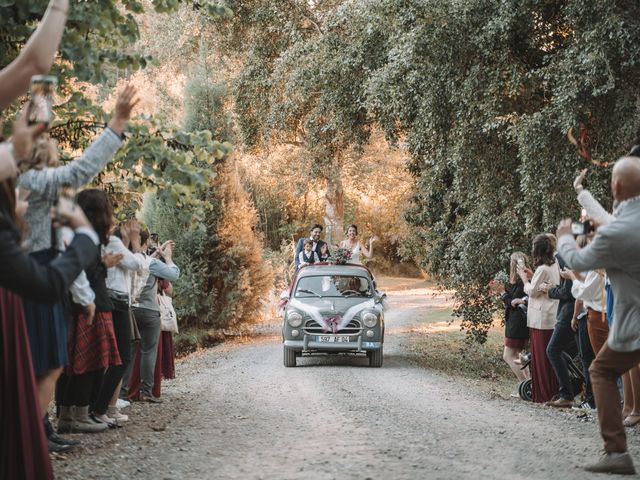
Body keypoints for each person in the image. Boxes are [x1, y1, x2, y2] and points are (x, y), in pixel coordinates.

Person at [17, 84, 137, 445]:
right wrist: (116, 124)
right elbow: (79, 170)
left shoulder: (31, 184)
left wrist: (40, 96)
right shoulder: (31, 181)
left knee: (47, 363)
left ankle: (38, 429)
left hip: (42, 273)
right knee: (47, 363)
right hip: (38, 274)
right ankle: (30, 434)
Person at [0, 179, 99, 480]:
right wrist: (85, 233)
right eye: (20, 195)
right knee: (46, 366)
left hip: (21, 297)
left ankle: (29, 436)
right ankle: (23, 439)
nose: (28, 204)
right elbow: (50, 282)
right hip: (28, 296)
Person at [557, 156, 640, 474]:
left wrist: (565, 236)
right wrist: (582, 193)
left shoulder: (616, 233)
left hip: (633, 324)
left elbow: (578, 261)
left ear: (616, 186)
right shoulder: (620, 223)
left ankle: (616, 452)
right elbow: (604, 221)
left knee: (602, 372)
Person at [58, 189, 122, 433]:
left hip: (77, 305)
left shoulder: (76, 234)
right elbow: (84, 272)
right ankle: (80, 414)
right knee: (90, 363)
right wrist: (104, 265)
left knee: (73, 364)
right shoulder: (89, 237)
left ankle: (67, 415)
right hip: (90, 305)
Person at [91, 219, 145, 424]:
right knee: (121, 357)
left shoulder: (113, 243)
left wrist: (126, 242)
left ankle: (104, 407)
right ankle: (100, 408)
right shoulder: (112, 243)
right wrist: (135, 240)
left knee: (116, 357)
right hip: (116, 302)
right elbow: (138, 265)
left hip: (115, 301)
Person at [122, 231, 180, 403]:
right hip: (149, 311)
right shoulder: (151, 263)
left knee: (129, 353)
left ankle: (123, 394)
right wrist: (167, 257)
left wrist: (156, 253)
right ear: (146, 242)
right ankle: (146, 392)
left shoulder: (125, 259)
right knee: (148, 351)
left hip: (129, 310)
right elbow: (173, 274)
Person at [518, 234, 560, 403]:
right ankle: (550, 391)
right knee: (545, 357)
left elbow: (532, 291)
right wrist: (533, 275)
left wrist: (524, 278)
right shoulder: (553, 264)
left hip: (541, 317)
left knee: (541, 358)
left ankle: (543, 394)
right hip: (550, 315)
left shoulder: (543, 269)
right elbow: (541, 285)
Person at [541, 249, 578, 408]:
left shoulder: (564, 260)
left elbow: (568, 292)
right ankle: (573, 390)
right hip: (569, 312)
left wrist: (550, 290)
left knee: (553, 350)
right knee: (568, 352)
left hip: (568, 312)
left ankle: (567, 394)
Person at [493, 252, 530, 386]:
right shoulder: (517, 281)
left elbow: (513, 302)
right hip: (517, 321)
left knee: (508, 355)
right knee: (520, 355)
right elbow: (512, 301)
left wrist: (503, 293)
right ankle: (530, 385)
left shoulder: (522, 282)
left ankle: (524, 384)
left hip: (517, 323)